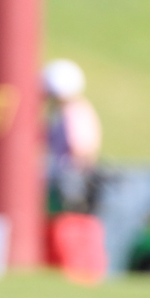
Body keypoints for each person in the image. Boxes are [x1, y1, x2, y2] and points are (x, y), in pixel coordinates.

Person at [43, 58, 102, 213]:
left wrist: (73, 183)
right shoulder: (69, 111)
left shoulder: (73, 113)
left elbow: (81, 149)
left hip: (65, 183)